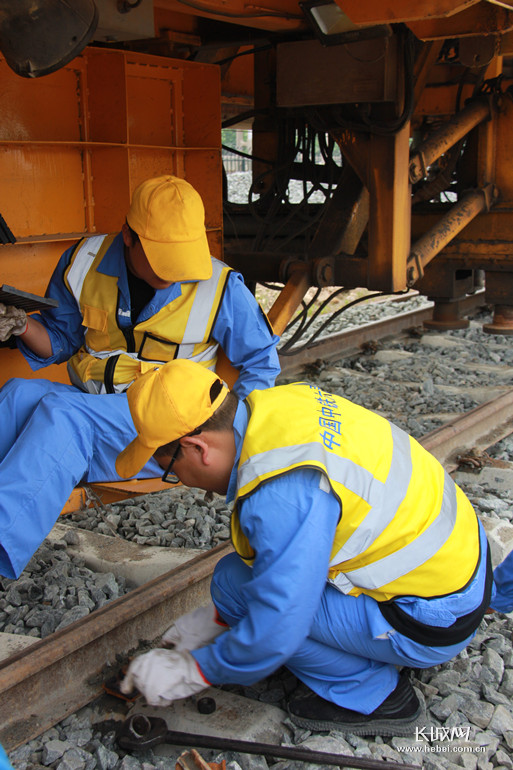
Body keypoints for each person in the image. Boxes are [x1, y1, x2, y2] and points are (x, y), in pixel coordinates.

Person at [115, 359, 493, 737]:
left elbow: (278, 628)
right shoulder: (278, 408)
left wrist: (193, 670)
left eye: (170, 470)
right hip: (463, 569)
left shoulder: (283, 494)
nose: (178, 480)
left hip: (433, 621)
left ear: (196, 447)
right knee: (231, 582)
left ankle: (378, 697)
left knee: (249, 603)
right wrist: (212, 623)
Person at [0, 175, 280, 580]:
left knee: (64, 416)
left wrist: (232, 440)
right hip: (99, 406)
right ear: (129, 236)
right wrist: (20, 325)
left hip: (164, 430)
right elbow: (60, 339)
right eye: (164, 258)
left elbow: (261, 361)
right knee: (18, 396)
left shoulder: (220, 285)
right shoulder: (84, 262)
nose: (177, 273)